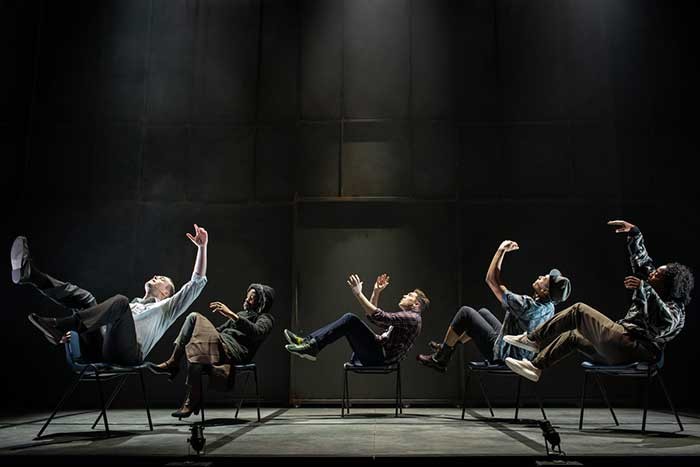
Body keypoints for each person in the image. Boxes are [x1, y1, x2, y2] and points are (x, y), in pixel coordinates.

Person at [504, 220, 694, 382]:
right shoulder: (651, 283)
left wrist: (645, 289)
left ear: (667, 285)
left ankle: (532, 338)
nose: (652, 274)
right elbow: (643, 263)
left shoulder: (675, 309)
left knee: (578, 310)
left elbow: (663, 324)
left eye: (657, 274)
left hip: (632, 348)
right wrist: (635, 233)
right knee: (573, 336)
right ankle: (535, 367)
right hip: (618, 349)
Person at [11, 224, 208, 366]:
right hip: (101, 348)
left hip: (128, 356)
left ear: (166, 292)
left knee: (120, 302)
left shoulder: (166, 309)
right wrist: (81, 335)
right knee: (86, 299)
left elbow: (196, 283)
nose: (156, 276)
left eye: (161, 278)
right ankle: (31, 275)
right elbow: (102, 326)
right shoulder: (134, 305)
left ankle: (59, 324)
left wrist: (202, 247)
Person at [417, 240, 571, 372]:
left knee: (466, 313)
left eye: (544, 279)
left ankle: (440, 358)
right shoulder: (549, 308)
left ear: (545, 291)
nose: (540, 276)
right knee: (483, 312)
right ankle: (448, 348)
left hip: (505, 357)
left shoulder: (527, 306)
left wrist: (501, 250)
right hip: (521, 355)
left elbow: (491, 280)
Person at [151, 283, 275, 418]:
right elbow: (219, 330)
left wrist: (231, 315)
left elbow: (257, 332)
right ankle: (190, 394)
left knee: (194, 318)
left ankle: (176, 368)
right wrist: (201, 333)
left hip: (232, 351)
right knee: (195, 339)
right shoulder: (241, 314)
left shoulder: (265, 318)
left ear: (261, 302)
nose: (247, 299)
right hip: (220, 343)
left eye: (252, 298)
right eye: (247, 296)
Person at [284, 273, 429, 366]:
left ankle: (311, 346)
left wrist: (359, 294)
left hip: (379, 357)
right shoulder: (409, 319)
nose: (405, 296)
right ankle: (308, 342)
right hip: (376, 353)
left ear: (416, 304)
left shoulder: (413, 318)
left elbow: (380, 316)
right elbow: (375, 319)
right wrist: (376, 292)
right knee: (349, 320)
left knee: (350, 319)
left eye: (409, 295)